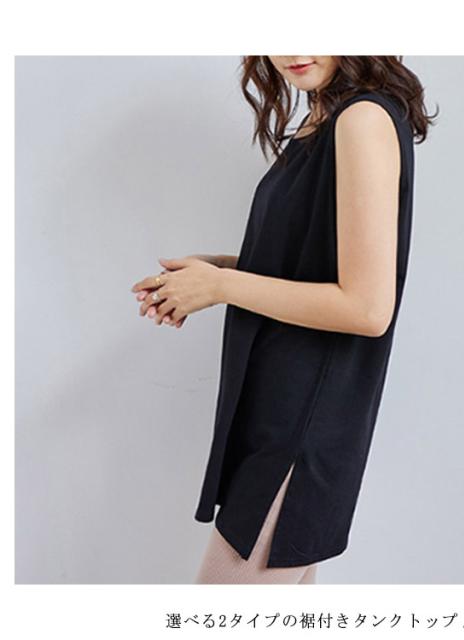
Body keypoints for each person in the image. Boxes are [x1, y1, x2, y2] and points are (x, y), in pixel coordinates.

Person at [130, 56, 437, 584]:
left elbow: (367, 308)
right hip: (277, 412)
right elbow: (314, 264)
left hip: (300, 428)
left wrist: (222, 287)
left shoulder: (362, 119)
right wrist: (219, 271)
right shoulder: (327, 117)